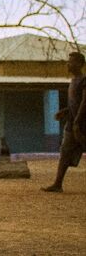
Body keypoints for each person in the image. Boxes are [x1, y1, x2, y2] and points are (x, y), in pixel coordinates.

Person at [43, 51, 85, 192]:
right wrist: (65, 111)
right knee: (65, 152)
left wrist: (77, 122)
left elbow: (85, 103)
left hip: (81, 124)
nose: (68, 63)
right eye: (68, 61)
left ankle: (57, 184)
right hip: (72, 123)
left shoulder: (83, 80)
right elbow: (75, 103)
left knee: (67, 151)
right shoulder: (73, 81)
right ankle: (57, 184)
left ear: (80, 64)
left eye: (72, 61)